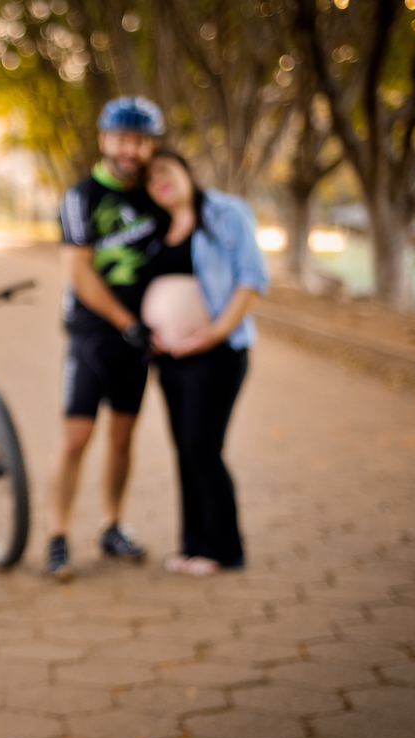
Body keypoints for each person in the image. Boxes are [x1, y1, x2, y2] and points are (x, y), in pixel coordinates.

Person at [46, 96, 167, 581]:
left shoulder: (156, 194)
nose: (129, 150)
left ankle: (112, 526)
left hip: (139, 339)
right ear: (104, 139)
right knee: (77, 437)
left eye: (139, 140)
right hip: (93, 335)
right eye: (121, 139)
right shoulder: (82, 196)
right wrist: (126, 322)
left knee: (122, 435)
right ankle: (57, 535)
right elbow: (79, 273)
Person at [141, 150, 268, 575]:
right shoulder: (157, 227)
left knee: (202, 446)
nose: (158, 180)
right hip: (170, 360)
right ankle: (193, 544)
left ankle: (225, 549)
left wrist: (213, 333)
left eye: (165, 170)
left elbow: (252, 278)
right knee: (184, 450)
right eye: (149, 178)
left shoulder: (226, 212)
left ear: (185, 170)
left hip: (217, 354)